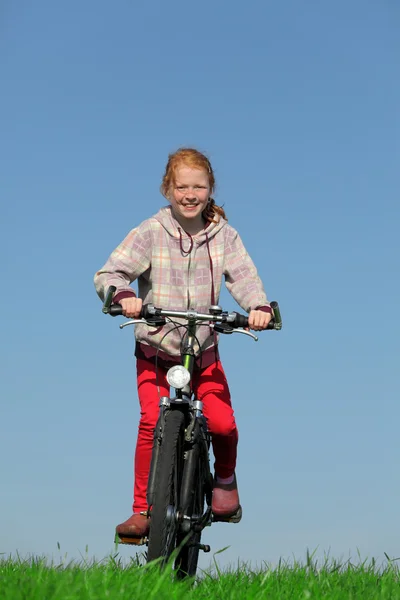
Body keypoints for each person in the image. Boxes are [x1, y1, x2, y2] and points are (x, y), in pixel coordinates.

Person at [94, 148, 272, 539]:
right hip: (156, 351)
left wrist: (257, 306)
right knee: (149, 423)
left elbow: (242, 276)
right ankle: (142, 510)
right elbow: (111, 272)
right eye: (182, 186)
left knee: (223, 424)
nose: (190, 194)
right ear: (167, 189)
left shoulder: (223, 235)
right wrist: (123, 296)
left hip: (203, 351)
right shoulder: (150, 231)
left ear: (210, 190)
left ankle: (224, 482)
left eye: (199, 186)